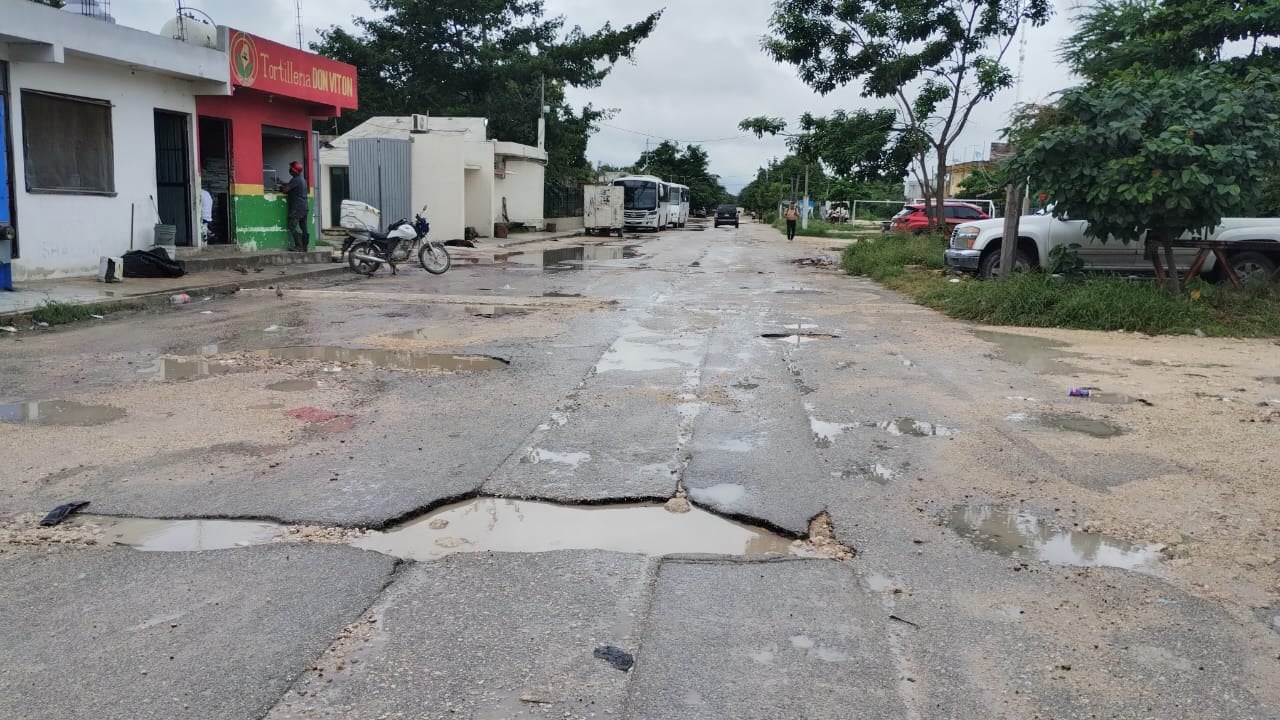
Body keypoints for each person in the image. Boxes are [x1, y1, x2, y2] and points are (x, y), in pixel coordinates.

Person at [277, 160, 309, 252]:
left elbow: (286, 190)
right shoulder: (301, 180)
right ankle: (305, 247)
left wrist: (280, 188)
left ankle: (299, 246)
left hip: (297, 208)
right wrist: (281, 182)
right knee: (304, 227)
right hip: (304, 207)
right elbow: (290, 185)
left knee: (292, 226)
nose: (289, 170)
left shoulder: (296, 180)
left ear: (293, 171)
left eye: (290, 169)